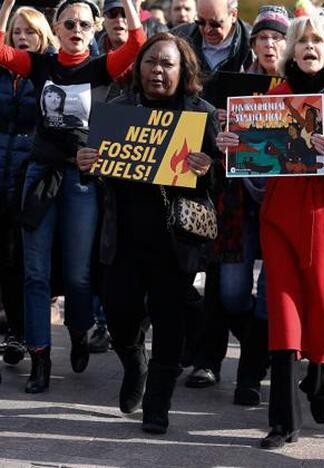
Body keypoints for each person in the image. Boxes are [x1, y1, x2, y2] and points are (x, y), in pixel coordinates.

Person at [217, 7, 324, 449]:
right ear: (293, 50)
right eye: (302, 41)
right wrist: (230, 144)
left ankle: (321, 372)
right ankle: (282, 422)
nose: (309, 48)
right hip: (281, 218)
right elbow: (248, 157)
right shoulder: (274, 101)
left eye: (318, 42)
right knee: (283, 319)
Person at [77, 31, 220, 434]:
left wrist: (208, 170)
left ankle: (158, 403)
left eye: (167, 64)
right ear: (138, 68)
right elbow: (96, 175)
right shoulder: (118, 109)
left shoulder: (201, 114)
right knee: (120, 314)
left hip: (175, 242)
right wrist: (85, 162)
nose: (158, 70)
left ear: (183, 70)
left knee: (170, 320)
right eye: (151, 62)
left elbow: (221, 182)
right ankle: (133, 361)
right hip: (122, 237)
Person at [0, 0, 145, 394]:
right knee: (35, 274)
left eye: (84, 23)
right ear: (57, 28)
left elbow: (136, 44)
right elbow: (1, 50)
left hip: (81, 180)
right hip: (40, 176)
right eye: (69, 23)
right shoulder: (42, 65)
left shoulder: (102, 67)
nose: (77, 28)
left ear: (93, 27)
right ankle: (40, 358)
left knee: (79, 275)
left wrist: (131, 5)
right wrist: (7, 6)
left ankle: (79, 332)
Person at [185, 5, 289, 407]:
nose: (269, 44)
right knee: (230, 293)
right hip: (238, 203)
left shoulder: (302, 89)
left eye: (277, 38)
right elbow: (209, 135)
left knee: (268, 296)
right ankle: (263, 351)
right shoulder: (236, 84)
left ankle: (250, 374)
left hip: (282, 203)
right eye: (262, 37)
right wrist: (221, 133)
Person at [0, 6, 57, 368]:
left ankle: (23, 333)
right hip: (1, 171)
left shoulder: (48, 73)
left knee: (24, 261)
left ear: (43, 37)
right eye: (16, 32)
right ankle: (16, 332)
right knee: (5, 259)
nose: (23, 38)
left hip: (30, 174)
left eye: (30, 33)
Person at [172, 0, 251, 106]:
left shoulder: (253, 45)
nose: (207, 29)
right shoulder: (177, 39)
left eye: (215, 24)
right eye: (201, 22)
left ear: (233, 15)